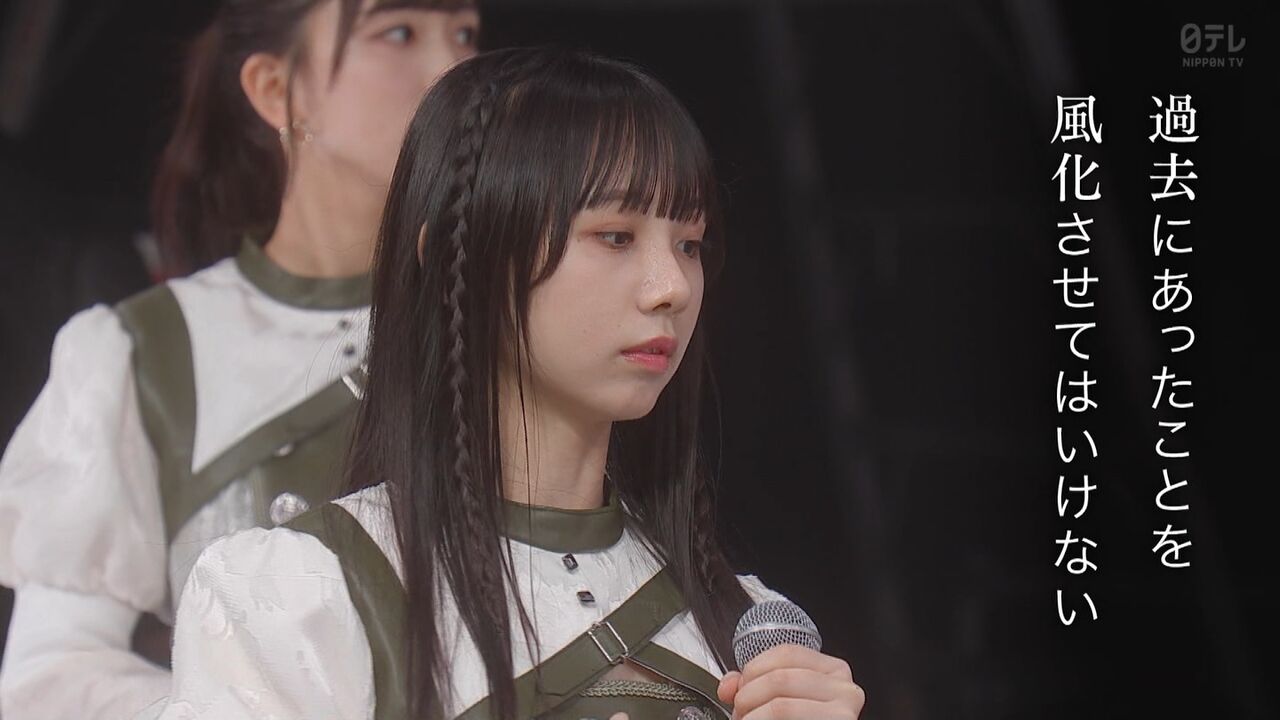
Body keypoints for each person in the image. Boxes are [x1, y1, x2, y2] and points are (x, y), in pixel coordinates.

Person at [143, 46, 867, 720]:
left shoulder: (748, 626)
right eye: (615, 236)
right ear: (455, 259)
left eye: (689, 244)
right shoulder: (302, 596)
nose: (671, 286)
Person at [0, 1, 480, 718]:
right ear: (275, 89)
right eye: (399, 32)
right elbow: (52, 672)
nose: (454, 69)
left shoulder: (523, 322)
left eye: (466, 34)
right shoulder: (147, 351)